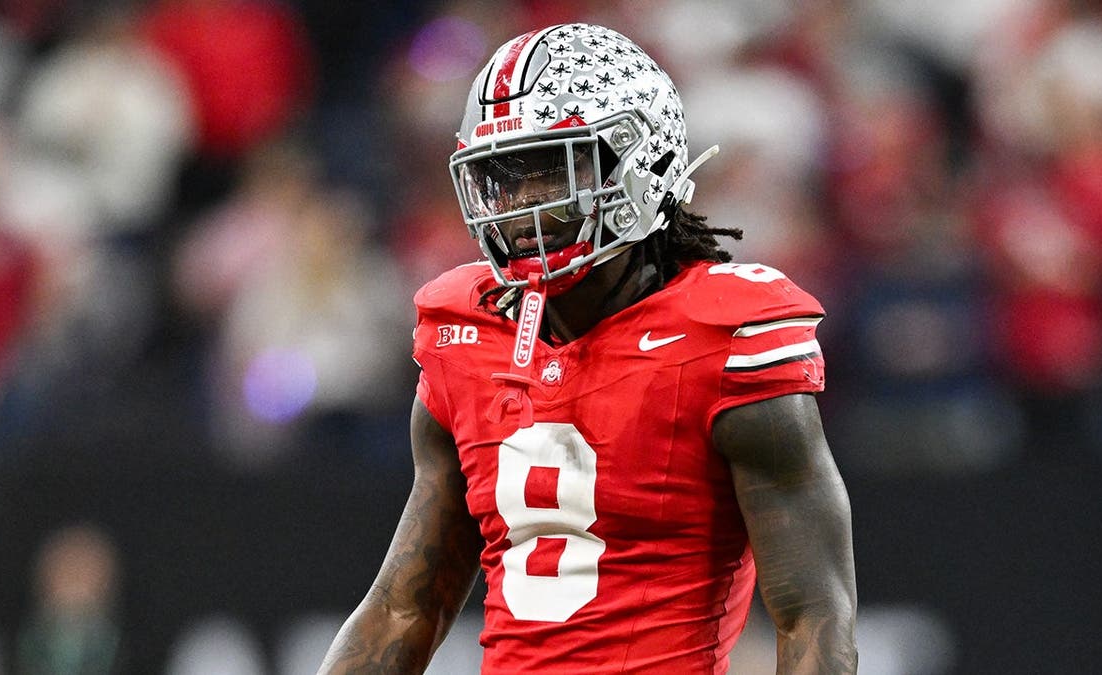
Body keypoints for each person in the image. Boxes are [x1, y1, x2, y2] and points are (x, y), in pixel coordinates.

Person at [318, 23, 857, 674]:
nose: (519, 205)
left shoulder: (726, 337)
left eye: (549, 170)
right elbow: (404, 606)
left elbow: (814, 615)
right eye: (503, 177)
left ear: (635, 163)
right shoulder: (467, 332)